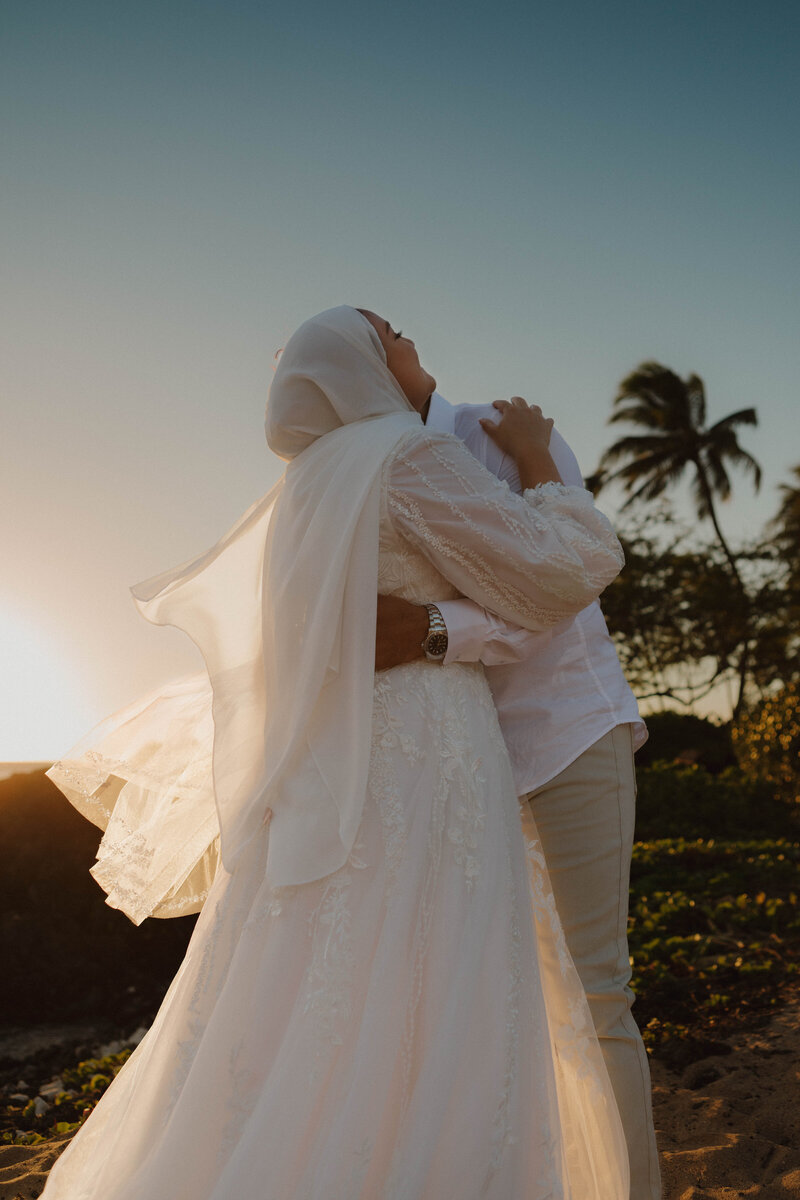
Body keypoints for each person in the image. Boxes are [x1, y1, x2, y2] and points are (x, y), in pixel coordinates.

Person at [43, 306, 630, 1198]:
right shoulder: (407, 453)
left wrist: (426, 625)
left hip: (345, 753)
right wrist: (544, 460)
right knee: (450, 980)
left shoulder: (303, 487)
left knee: (334, 980)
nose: (408, 335)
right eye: (387, 331)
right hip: (434, 745)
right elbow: (557, 571)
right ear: (365, 366)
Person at [372, 381, 661, 1199]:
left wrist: (433, 629)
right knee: (499, 1002)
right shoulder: (366, 471)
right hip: (455, 759)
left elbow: (561, 590)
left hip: (566, 731)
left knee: (595, 991)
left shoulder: (498, 436)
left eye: (388, 328)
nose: (395, 336)